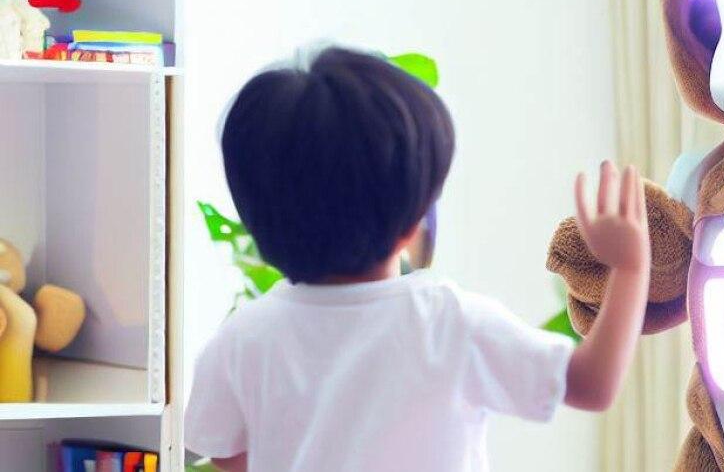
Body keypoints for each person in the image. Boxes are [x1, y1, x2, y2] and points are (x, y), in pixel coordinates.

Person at [185, 47, 650, 472]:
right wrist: (630, 268)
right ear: (412, 223)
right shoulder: (449, 322)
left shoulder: (245, 337)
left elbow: (220, 447)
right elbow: (592, 385)